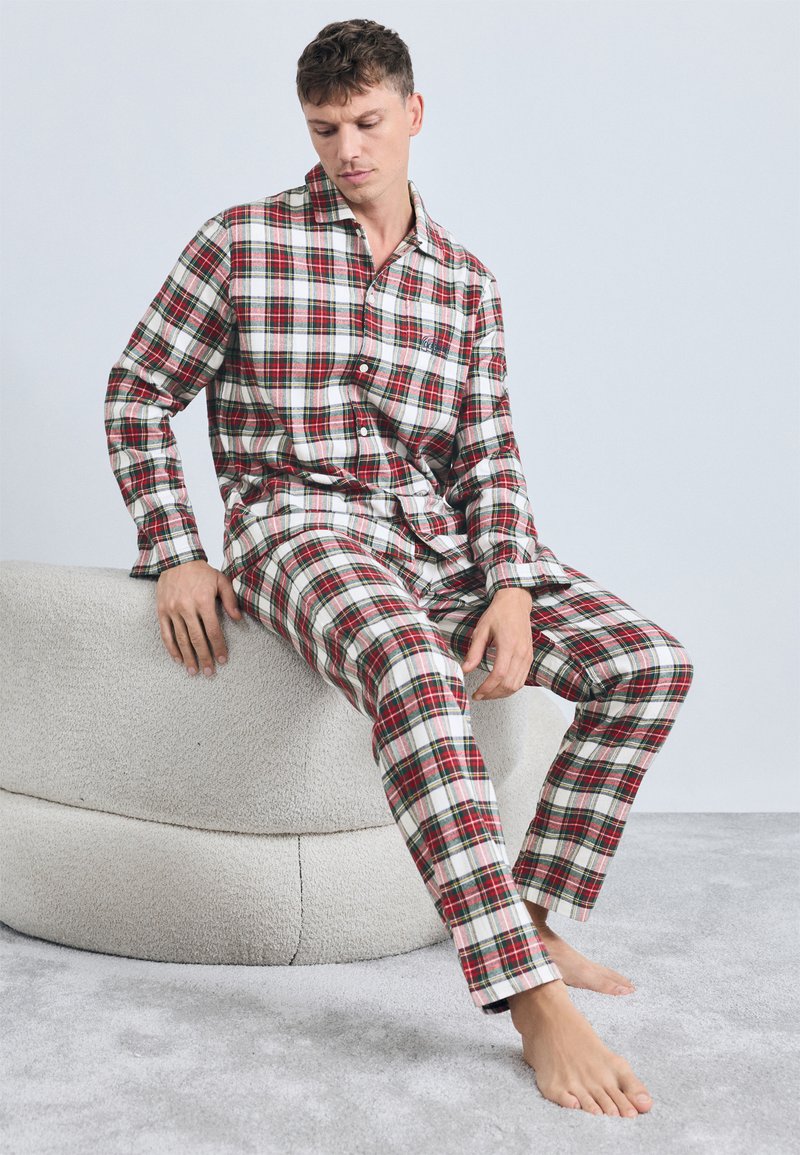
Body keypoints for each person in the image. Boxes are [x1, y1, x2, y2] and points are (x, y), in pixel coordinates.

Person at [104, 17, 693, 1118]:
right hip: (297, 530)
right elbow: (138, 391)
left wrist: (510, 583)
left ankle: (531, 916)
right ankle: (527, 998)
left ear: (413, 114)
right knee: (416, 673)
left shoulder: (465, 284)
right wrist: (176, 546)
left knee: (647, 663)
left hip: (438, 543)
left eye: (367, 123)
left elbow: (488, 453)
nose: (347, 150)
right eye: (324, 128)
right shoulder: (239, 242)